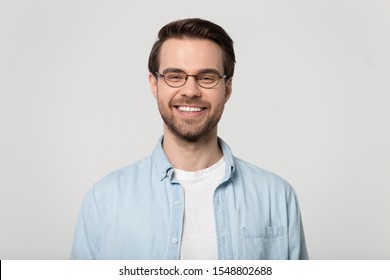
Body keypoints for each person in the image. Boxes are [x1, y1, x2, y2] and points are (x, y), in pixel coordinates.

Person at [70, 18, 308, 260]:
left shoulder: (277, 196)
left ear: (227, 88)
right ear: (154, 84)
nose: (191, 91)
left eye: (207, 77)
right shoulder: (104, 200)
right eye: (175, 76)